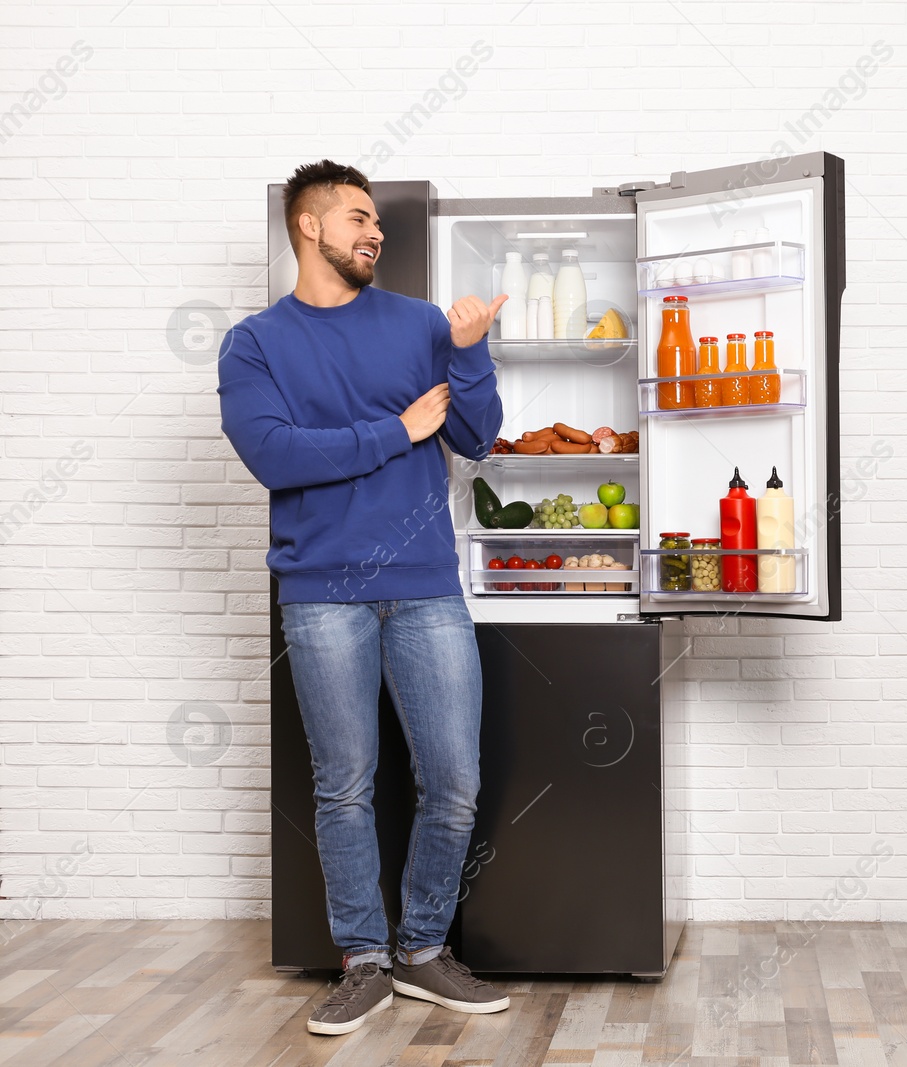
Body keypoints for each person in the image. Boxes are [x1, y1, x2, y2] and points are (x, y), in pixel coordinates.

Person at [217, 160, 511, 1035]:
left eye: (377, 219)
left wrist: (469, 353)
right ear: (308, 227)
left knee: (453, 780)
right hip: (322, 594)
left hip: (425, 586)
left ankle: (422, 949)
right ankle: (363, 961)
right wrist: (396, 429)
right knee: (344, 786)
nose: (373, 231)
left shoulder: (422, 324)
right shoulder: (255, 342)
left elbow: (479, 435)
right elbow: (276, 455)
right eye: (356, 217)